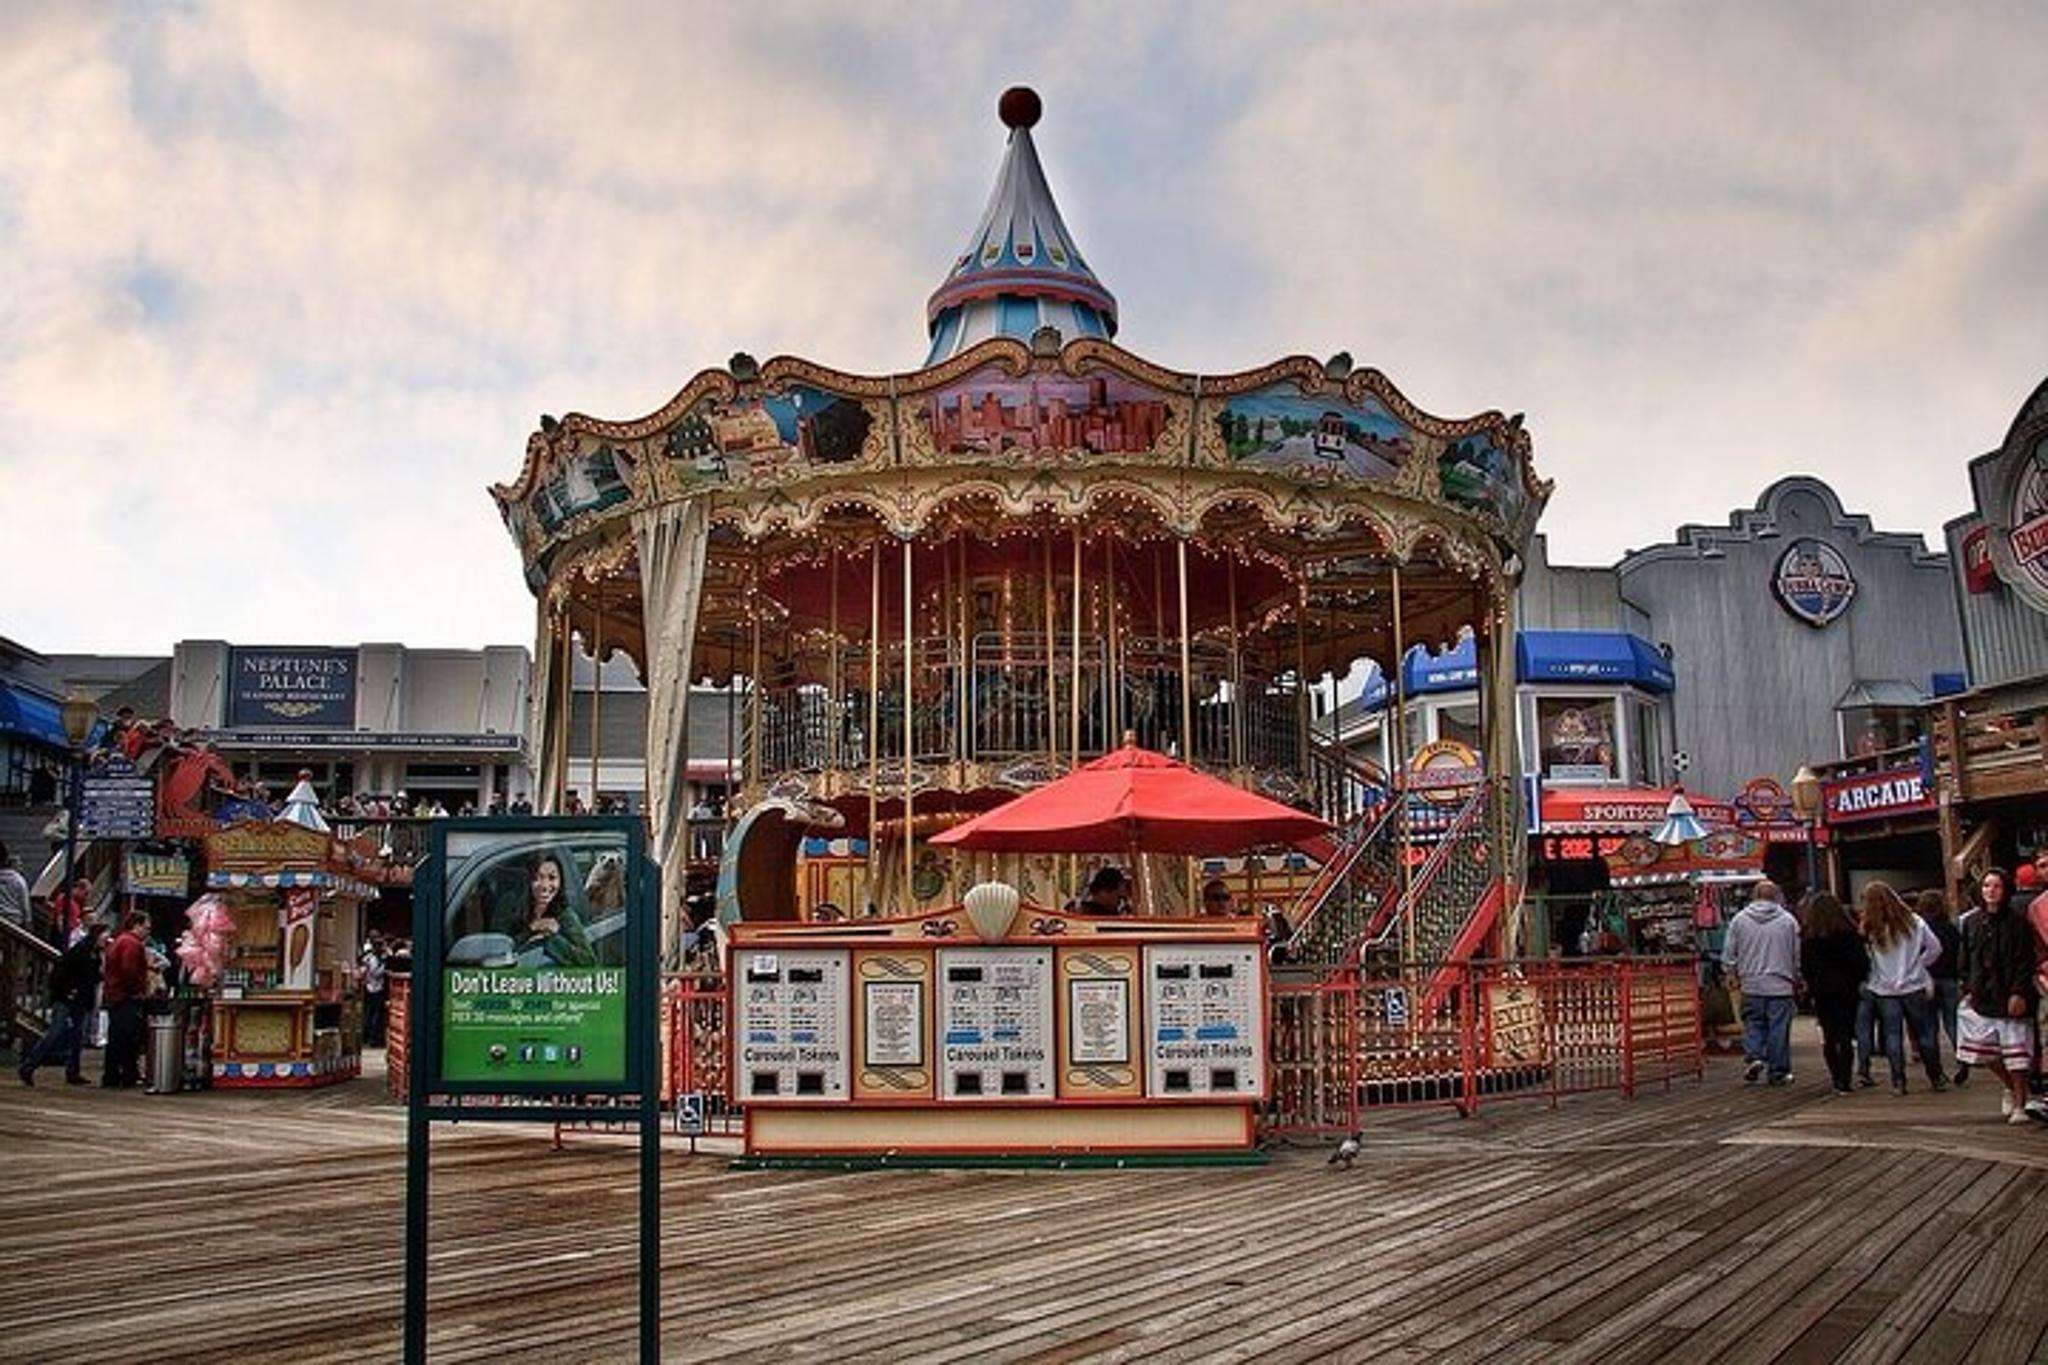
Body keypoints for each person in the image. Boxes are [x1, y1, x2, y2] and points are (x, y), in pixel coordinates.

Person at [1956, 868, 2038, 1124]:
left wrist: (2018, 991)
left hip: (2010, 991)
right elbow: (1965, 957)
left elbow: (2025, 959)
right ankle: (2012, 1088)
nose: (1991, 891)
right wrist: (1967, 986)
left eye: (1997, 886)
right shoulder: (1970, 921)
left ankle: (2019, 1103)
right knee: (1983, 1050)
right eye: (1986, 886)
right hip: (1982, 993)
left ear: (2006, 889)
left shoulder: (2018, 922)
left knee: (2016, 1055)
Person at [1858, 881, 1946, 1095]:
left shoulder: (1869, 927)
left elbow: (1867, 959)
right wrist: (1919, 963)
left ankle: (1898, 1080)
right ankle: (1935, 1076)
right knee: (1925, 1034)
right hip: (1914, 984)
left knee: (1892, 1035)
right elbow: (1935, 948)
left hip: (1884, 988)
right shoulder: (1914, 921)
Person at [1724, 879, 1800, 1085]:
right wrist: (1798, 976)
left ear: (1754, 896)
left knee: (1753, 1022)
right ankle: (1778, 1072)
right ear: (1776, 896)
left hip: (1750, 982)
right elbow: (1796, 954)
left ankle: (1755, 1055)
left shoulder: (1739, 920)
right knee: (1778, 1028)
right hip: (1781, 983)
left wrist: (1731, 972)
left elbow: (1730, 951)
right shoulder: (1788, 921)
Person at [18, 921, 106, 1086]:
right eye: (104, 936)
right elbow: (62, 973)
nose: (106, 940)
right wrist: (68, 992)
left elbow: (92, 977)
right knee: (55, 1032)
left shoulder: (94, 953)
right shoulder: (80, 951)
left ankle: (73, 1071)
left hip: (79, 999)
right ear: (96, 936)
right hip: (68, 998)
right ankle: (28, 1066)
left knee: (77, 1036)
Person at [1799, 893, 1867, 1096]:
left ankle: (1836, 1077)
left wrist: (1811, 985)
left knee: (1829, 1035)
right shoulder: (1849, 934)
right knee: (1846, 1034)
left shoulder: (1809, 938)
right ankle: (1845, 1079)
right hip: (1847, 989)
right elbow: (1861, 963)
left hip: (1822, 991)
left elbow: (1806, 968)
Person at [100, 910, 153, 1088]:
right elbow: (128, 970)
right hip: (126, 996)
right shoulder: (132, 944)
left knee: (116, 1037)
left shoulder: (119, 941)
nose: (148, 932)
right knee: (127, 1038)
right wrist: (138, 989)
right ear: (137, 925)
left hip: (115, 994)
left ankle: (112, 1075)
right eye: (146, 928)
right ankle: (126, 1075)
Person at [514, 853, 595, 966]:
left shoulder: (566, 917)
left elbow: (589, 962)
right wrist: (532, 929)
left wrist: (554, 937)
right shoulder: (514, 908)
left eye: (552, 878)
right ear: (528, 881)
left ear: (560, 881)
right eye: (537, 878)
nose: (545, 886)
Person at [1919, 889, 1963, 1079]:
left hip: (1925, 979)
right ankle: (1962, 1057)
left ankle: (1935, 1068)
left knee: (1929, 1027)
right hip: (1949, 978)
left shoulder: (1919, 928)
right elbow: (1959, 952)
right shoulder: (1950, 928)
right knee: (1953, 1022)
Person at [360, 935, 389, 1047]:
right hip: (374, 989)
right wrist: (384, 966)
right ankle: (372, 1038)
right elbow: (375, 973)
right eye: (380, 946)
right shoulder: (372, 959)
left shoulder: (370, 958)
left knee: (372, 1014)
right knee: (374, 1015)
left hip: (373, 988)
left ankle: (370, 1037)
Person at [0, 842, 29, 934]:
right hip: (15, 923)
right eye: (19, 865)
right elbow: (25, 907)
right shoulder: (19, 880)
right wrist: (28, 924)